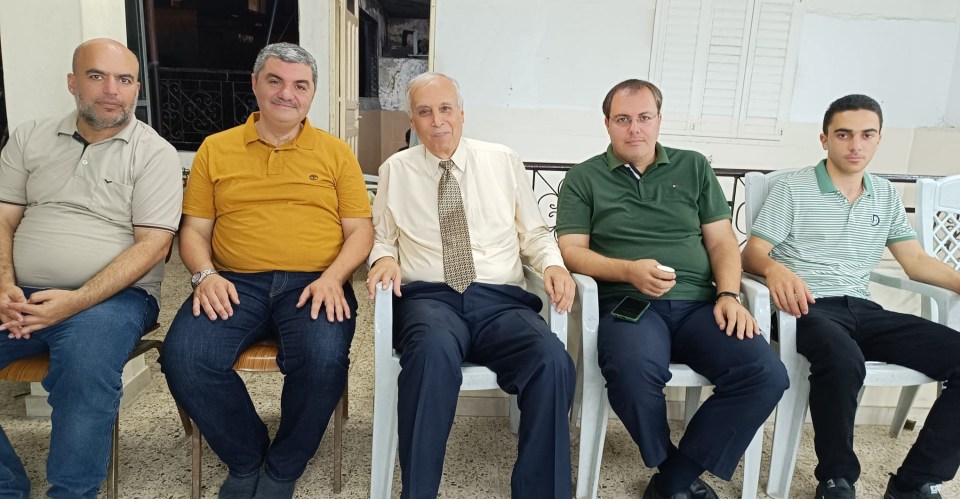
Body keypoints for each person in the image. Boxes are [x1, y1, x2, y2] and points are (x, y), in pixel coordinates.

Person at [556, 78, 788, 499]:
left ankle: (674, 479)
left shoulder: (694, 166)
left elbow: (722, 243)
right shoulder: (583, 177)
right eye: (623, 119)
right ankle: (671, 470)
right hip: (629, 304)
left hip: (701, 304)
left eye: (644, 118)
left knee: (765, 374)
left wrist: (728, 295)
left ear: (659, 120)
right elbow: (571, 252)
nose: (635, 129)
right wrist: (628, 270)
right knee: (630, 373)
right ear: (607, 124)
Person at [161, 43, 373, 499]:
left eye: (300, 85)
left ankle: (284, 466)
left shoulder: (336, 153)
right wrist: (204, 275)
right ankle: (245, 456)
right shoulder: (215, 149)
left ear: (311, 93)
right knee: (185, 357)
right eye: (275, 81)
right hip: (233, 282)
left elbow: (360, 230)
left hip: (315, 282)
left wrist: (334, 278)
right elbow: (194, 230)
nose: (286, 94)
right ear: (255, 84)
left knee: (322, 361)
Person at [367, 72, 577, 499]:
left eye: (446, 109)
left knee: (552, 361)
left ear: (462, 113)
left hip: (500, 301)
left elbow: (534, 234)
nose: (437, 120)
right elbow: (383, 238)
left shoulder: (501, 160)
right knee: (430, 353)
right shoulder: (395, 170)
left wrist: (554, 264)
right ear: (413, 120)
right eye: (425, 112)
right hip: (430, 300)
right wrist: (384, 258)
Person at [742, 93, 960, 499]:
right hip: (804, 307)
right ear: (825, 139)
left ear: (879, 139)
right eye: (843, 134)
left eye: (866, 135)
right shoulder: (792, 187)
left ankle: (915, 482)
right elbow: (752, 252)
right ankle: (837, 478)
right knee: (843, 359)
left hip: (863, 309)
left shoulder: (886, 194)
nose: (855, 145)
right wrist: (774, 269)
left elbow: (915, 261)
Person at [0, 38, 182, 498]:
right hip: (19, 292)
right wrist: (4, 284)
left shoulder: (154, 152)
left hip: (115, 298)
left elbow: (154, 245)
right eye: (97, 76)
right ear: (72, 82)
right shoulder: (29, 137)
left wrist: (74, 302)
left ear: (136, 88)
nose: (111, 90)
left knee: (85, 368)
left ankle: (72, 493)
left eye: (124, 79)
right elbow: (3, 218)